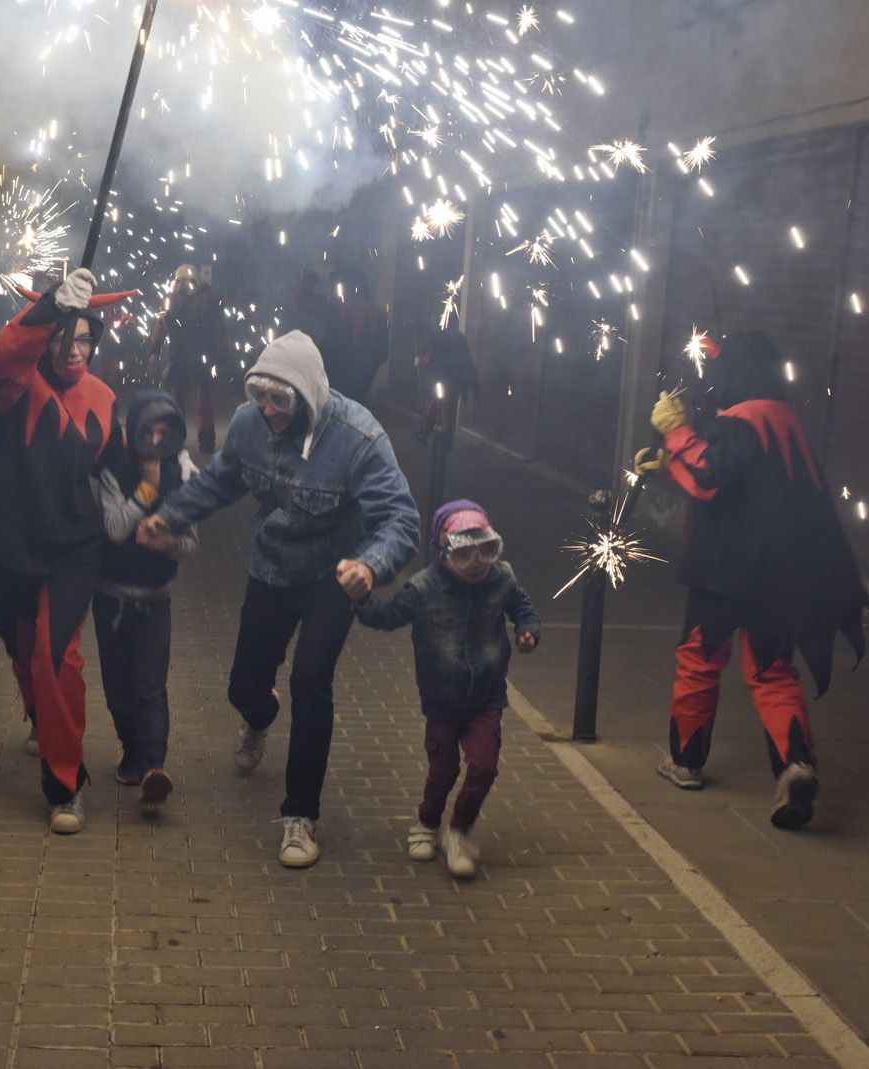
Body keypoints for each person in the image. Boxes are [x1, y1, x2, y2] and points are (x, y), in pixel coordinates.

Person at [137, 330, 420, 868]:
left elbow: (401, 519)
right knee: (245, 684)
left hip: (334, 576)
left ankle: (300, 816)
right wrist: (168, 516)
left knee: (311, 683)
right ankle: (259, 716)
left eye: (281, 400)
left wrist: (370, 565)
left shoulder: (359, 438)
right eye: (259, 395)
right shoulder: (249, 425)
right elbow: (219, 482)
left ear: (309, 395)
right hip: (272, 567)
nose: (268, 410)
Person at [636, 330, 869, 829]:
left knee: (699, 661)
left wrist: (676, 434)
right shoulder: (783, 418)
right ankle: (795, 767)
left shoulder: (740, 419)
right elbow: (751, 477)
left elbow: (708, 477)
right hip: (780, 576)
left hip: (724, 573)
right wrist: (669, 461)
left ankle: (684, 761)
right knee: (772, 672)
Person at [0, 268, 135, 834]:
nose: (72, 350)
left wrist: (157, 506)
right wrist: (43, 314)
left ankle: (65, 784)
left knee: (54, 654)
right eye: (63, 338)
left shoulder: (105, 399)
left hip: (73, 549)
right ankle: (40, 712)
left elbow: (124, 476)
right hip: (10, 543)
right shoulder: (17, 385)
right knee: (21, 647)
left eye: (83, 338)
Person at [353, 500, 539, 877]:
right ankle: (427, 822)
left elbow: (522, 608)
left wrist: (527, 630)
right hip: (441, 698)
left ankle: (459, 831)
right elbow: (387, 617)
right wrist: (361, 597)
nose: (477, 564)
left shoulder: (501, 578)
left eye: (486, 551)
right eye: (464, 554)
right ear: (443, 553)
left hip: (487, 694)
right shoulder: (424, 588)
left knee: (484, 766)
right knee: (443, 769)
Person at [91, 389, 200, 808]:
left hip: (156, 599)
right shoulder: (113, 469)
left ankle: (154, 767)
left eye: (163, 433)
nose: (155, 443)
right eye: (147, 432)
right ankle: (132, 752)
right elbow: (116, 528)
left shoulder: (184, 472)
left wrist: (168, 544)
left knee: (150, 686)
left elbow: (192, 541)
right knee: (119, 689)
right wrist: (148, 491)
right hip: (111, 598)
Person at [146, 264, 229, 455]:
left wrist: (222, 356)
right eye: (180, 282)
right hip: (179, 357)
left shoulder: (208, 301)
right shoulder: (172, 302)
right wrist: (154, 352)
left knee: (202, 402)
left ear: (195, 283)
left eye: (187, 281)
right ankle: (175, 437)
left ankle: (206, 442)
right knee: (176, 400)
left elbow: (219, 331)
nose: (183, 286)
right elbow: (161, 326)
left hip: (201, 358)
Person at [318, 266, 389, 405]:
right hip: (360, 389)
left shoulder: (338, 310)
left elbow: (302, 301)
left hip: (335, 386)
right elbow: (382, 354)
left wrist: (312, 275)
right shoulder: (379, 315)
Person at [414, 324, 479, 445]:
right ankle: (435, 433)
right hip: (448, 380)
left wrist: (421, 360)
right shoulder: (453, 338)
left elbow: (465, 361)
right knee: (443, 404)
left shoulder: (441, 337)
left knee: (440, 404)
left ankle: (434, 433)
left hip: (447, 380)